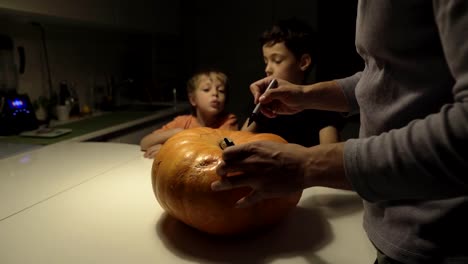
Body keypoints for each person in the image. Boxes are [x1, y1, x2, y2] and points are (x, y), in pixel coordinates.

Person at [211, 1, 468, 264]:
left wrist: (306, 165)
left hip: (439, 237)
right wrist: (305, 95)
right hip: (387, 222)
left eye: (276, 60)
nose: (267, 66)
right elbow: (384, 74)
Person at [241, 18, 345, 146]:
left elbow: (330, 156)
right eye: (266, 61)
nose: (267, 69)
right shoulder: (265, 103)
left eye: (277, 60)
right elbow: (240, 141)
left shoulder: (323, 106)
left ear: (303, 62)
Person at [140, 68, 238, 158]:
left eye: (221, 91)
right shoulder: (182, 121)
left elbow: (220, 150)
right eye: (206, 89)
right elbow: (144, 143)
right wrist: (176, 132)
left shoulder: (228, 120)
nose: (215, 94)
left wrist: (170, 148)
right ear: (193, 100)